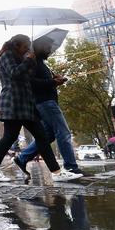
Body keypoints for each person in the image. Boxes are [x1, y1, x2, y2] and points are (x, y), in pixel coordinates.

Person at [0, 34, 82, 182]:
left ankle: (56, 172)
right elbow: (14, 74)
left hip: (25, 103)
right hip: (13, 102)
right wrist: (28, 61)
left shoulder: (20, 58)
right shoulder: (6, 56)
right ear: (17, 45)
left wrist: (41, 71)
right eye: (25, 46)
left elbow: (27, 78)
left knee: (41, 137)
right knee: (9, 137)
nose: (27, 49)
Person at [14, 37, 84, 178]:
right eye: (48, 47)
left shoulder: (41, 63)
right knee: (63, 132)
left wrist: (55, 80)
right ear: (40, 47)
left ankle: (22, 158)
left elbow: (44, 80)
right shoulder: (33, 61)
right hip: (45, 102)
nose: (50, 50)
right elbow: (31, 83)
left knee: (47, 135)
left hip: (46, 102)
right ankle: (70, 167)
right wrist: (52, 82)